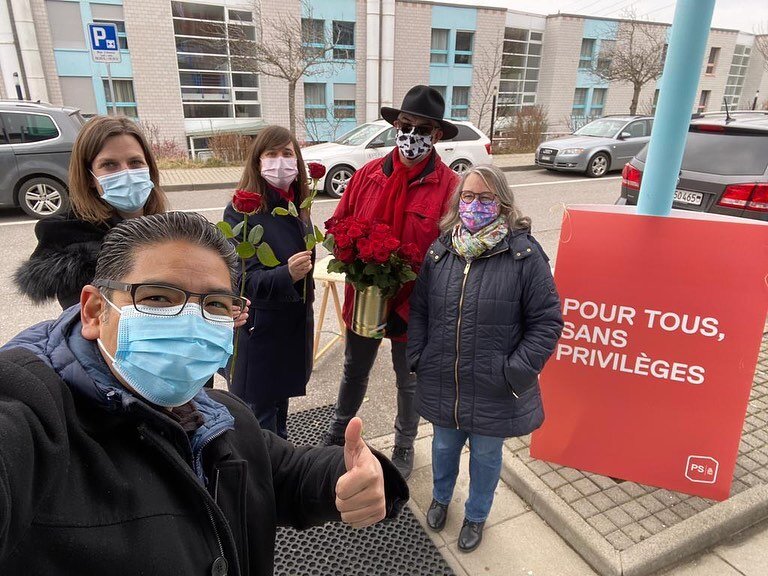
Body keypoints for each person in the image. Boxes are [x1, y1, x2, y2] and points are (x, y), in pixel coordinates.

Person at [0, 211, 408, 576]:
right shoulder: (37, 416)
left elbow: (283, 471)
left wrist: (351, 475)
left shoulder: (220, 414)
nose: (190, 321)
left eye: (214, 304)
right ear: (94, 310)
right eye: (158, 297)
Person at [407, 165, 563, 552]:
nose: (475, 204)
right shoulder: (441, 250)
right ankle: (441, 499)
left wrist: (514, 373)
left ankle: (476, 515)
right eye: (469, 197)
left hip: (494, 386)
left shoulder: (524, 255)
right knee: (442, 449)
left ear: (503, 204)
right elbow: (421, 309)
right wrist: (418, 356)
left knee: (486, 457)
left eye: (486, 198)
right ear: (458, 201)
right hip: (444, 378)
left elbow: (547, 322)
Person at [323, 85, 460, 481]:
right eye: (405, 124)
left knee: (409, 378)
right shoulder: (367, 175)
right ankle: (339, 429)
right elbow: (336, 225)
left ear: (436, 136)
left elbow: (452, 248)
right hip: (366, 296)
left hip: (414, 303)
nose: (411, 135)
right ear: (395, 125)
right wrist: (347, 248)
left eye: (422, 128)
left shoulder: (449, 186)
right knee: (354, 368)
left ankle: (404, 442)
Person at [13, 115, 169, 310]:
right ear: (89, 177)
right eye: (110, 165)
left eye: (135, 162)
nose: (126, 173)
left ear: (149, 168)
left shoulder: (167, 228)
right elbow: (98, 325)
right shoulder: (72, 245)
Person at [223, 125, 314, 439]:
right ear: (258, 161)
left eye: (287, 153)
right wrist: (285, 274)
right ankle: (267, 481)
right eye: (271, 154)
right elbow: (240, 279)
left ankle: (281, 472)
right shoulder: (242, 210)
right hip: (260, 333)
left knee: (280, 414)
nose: (280, 162)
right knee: (260, 423)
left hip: (291, 330)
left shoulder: (297, 205)